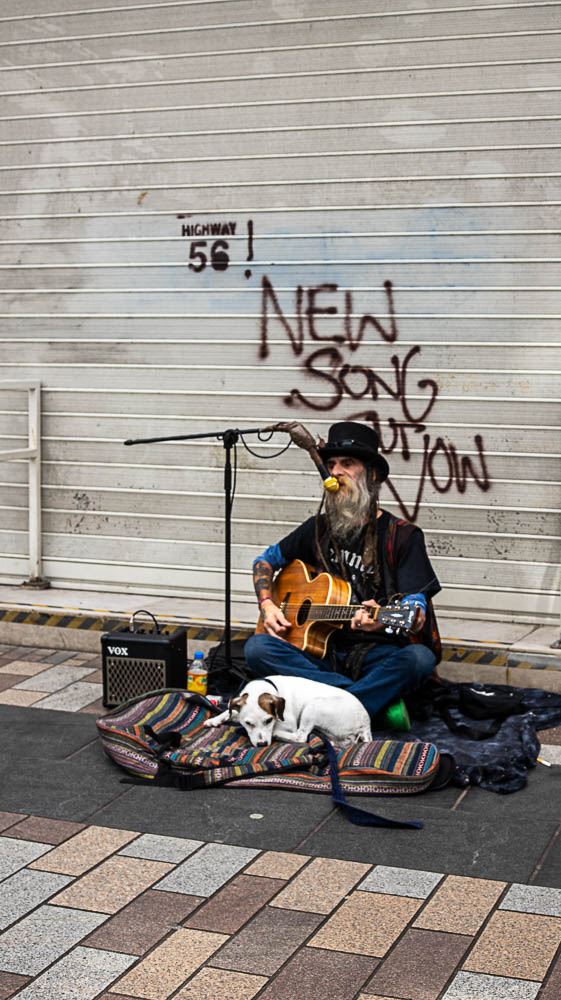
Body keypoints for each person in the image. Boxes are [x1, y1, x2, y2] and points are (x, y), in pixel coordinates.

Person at [244, 421, 441, 726]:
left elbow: (416, 615)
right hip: (321, 652)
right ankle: (358, 702)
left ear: (372, 475)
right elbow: (264, 562)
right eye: (332, 465)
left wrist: (383, 619)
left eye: (347, 464)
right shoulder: (318, 527)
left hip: (377, 655)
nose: (335, 472)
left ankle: (328, 702)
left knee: (419, 660)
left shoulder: (403, 536)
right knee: (257, 648)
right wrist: (268, 605)